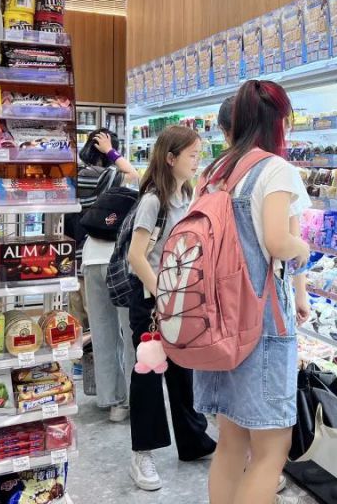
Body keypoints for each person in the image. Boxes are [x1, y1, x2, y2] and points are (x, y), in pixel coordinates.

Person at [194, 80, 312, 504]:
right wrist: (304, 249)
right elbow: (279, 242)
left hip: (214, 322)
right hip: (260, 323)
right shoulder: (275, 169)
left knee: (230, 442)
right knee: (270, 450)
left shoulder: (213, 173)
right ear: (278, 121)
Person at [126, 126, 216, 490]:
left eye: (198, 155)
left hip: (181, 300)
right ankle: (142, 454)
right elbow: (136, 256)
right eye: (192, 155)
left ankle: (193, 441)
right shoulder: (154, 201)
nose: (197, 161)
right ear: (170, 158)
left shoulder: (189, 196)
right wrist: (161, 296)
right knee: (148, 374)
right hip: (152, 301)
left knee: (184, 371)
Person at [76, 130, 140, 424]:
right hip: (117, 261)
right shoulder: (107, 176)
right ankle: (130, 400)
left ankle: (110, 400)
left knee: (102, 333)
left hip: (90, 259)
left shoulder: (78, 177)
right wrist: (112, 152)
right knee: (128, 334)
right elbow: (134, 174)